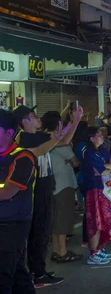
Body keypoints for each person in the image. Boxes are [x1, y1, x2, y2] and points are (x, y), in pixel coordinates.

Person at [13, 104, 81, 288]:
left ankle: (39, 271)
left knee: (41, 232)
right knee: (38, 232)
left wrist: (73, 121)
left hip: (45, 187)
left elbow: (63, 139)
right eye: (33, 115)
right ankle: (37, 274)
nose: (38, 118)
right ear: (25, 121)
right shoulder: (24, 138)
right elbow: (46, 147)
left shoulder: (37, 136)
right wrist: (71, 123)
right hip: (36, 190)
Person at [0, 110, 36, 294]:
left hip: (14, 222)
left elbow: (7, 192)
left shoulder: (23, 157)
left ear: (8, 133)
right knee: (18, 274)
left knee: (4, 274)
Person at [42, 112, 81, 263]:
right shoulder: (56, 140)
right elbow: (74, 161)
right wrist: (75, 121)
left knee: (55, 219)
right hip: (63, 184)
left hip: (52, 183)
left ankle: (56, 251)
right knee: (63, 219)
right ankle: (63, 251)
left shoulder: (44, 138)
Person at [82, 127, 111, 264]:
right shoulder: (88, 153)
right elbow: (101, 171)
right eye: (98, 134)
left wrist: (107, 166)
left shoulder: (102, 150)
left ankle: (100, 247)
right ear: (92, 138)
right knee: (95, 220)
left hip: (105, 190)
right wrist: (107, 166)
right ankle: (93, 253)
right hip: (94, 189)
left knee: (104, 220)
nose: (101, 136)